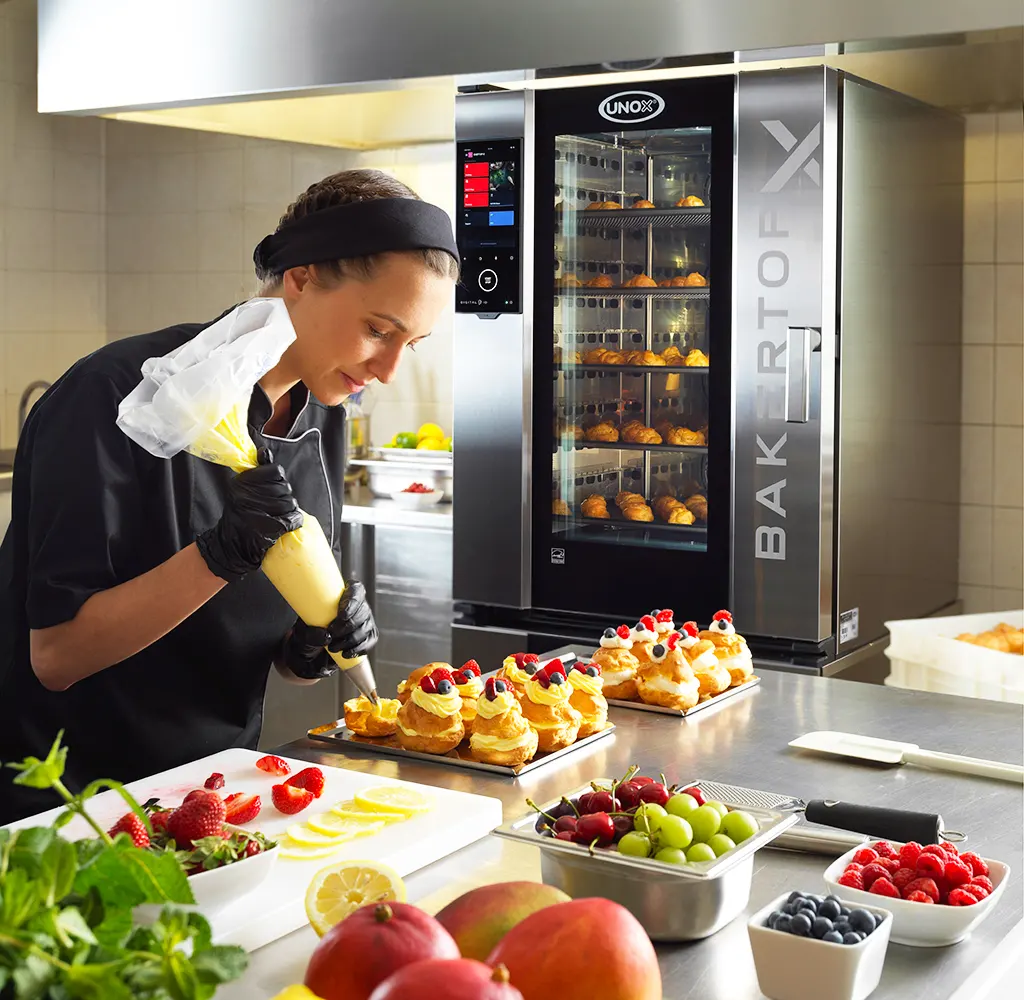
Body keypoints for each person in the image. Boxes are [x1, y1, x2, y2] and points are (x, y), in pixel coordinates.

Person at [0, 170, 460, 823]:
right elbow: (55, 657)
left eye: (409, 345)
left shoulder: (321, 412)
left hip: (216, 798)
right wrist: (219, 554)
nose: (387, 371)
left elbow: (258, 651)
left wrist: (309, 645)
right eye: (378, 330)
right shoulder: (116, 396)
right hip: (70, 804)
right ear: (300, 278)